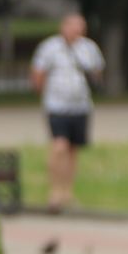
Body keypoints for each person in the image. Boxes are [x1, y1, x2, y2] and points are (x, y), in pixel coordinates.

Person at [31, 13, 105, 211]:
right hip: (56, 106)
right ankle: (54, 192)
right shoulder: (49, 47)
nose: (77, 30)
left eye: (81, 27)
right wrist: (43, 94)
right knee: (59, 146)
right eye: (73, 26)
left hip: (81, 106)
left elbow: (97, 72)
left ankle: (67, 193)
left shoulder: (88, 48)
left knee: (73, 150)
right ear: (63, 27)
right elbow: (38, 73)